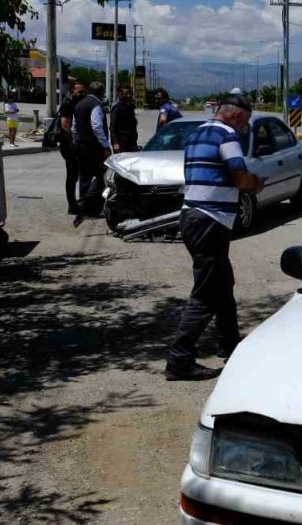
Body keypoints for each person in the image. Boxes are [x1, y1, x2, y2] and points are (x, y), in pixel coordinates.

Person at [164, 94, 265, 381]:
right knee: (207, 292)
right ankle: (179, 359)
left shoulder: (196, 134)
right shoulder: (228, 136)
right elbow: (240, 178)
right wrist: (256, 185)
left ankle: (232, 346)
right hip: (210, 220)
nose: (245, 127)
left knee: (223, 283)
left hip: (193, 216)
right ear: (235, 116)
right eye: (245, 121)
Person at [71, 81, 111, 222]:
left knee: (84, 177)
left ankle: (84, 206)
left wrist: (77, 140)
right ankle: (91, 207)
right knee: (100, 177)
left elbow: (74, 128)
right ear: (100, 92)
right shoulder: (96, 105)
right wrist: (105, 146)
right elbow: (97, 127)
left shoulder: (79, 104)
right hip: (94, 147)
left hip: (81, 145)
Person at [57, 80, 86, 215]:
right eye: (79, 91)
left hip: (74, 144)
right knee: (72, 175)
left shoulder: (77, 103)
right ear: (72, 91)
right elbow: (64, 125)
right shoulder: (68, 104)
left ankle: (76, 203)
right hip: (69, 145)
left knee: (75, 175)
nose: (82, 94)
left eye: (83, 91)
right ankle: (72, 205)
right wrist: (73, 142)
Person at [110, 84, 139, 153]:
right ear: (120, 94)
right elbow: (113, 127)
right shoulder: (117, 108)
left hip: (131, 141)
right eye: (126, 94)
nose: (129, 96)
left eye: (130, 94)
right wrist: (115, 142)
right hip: (121, 143)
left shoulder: (130, 107)